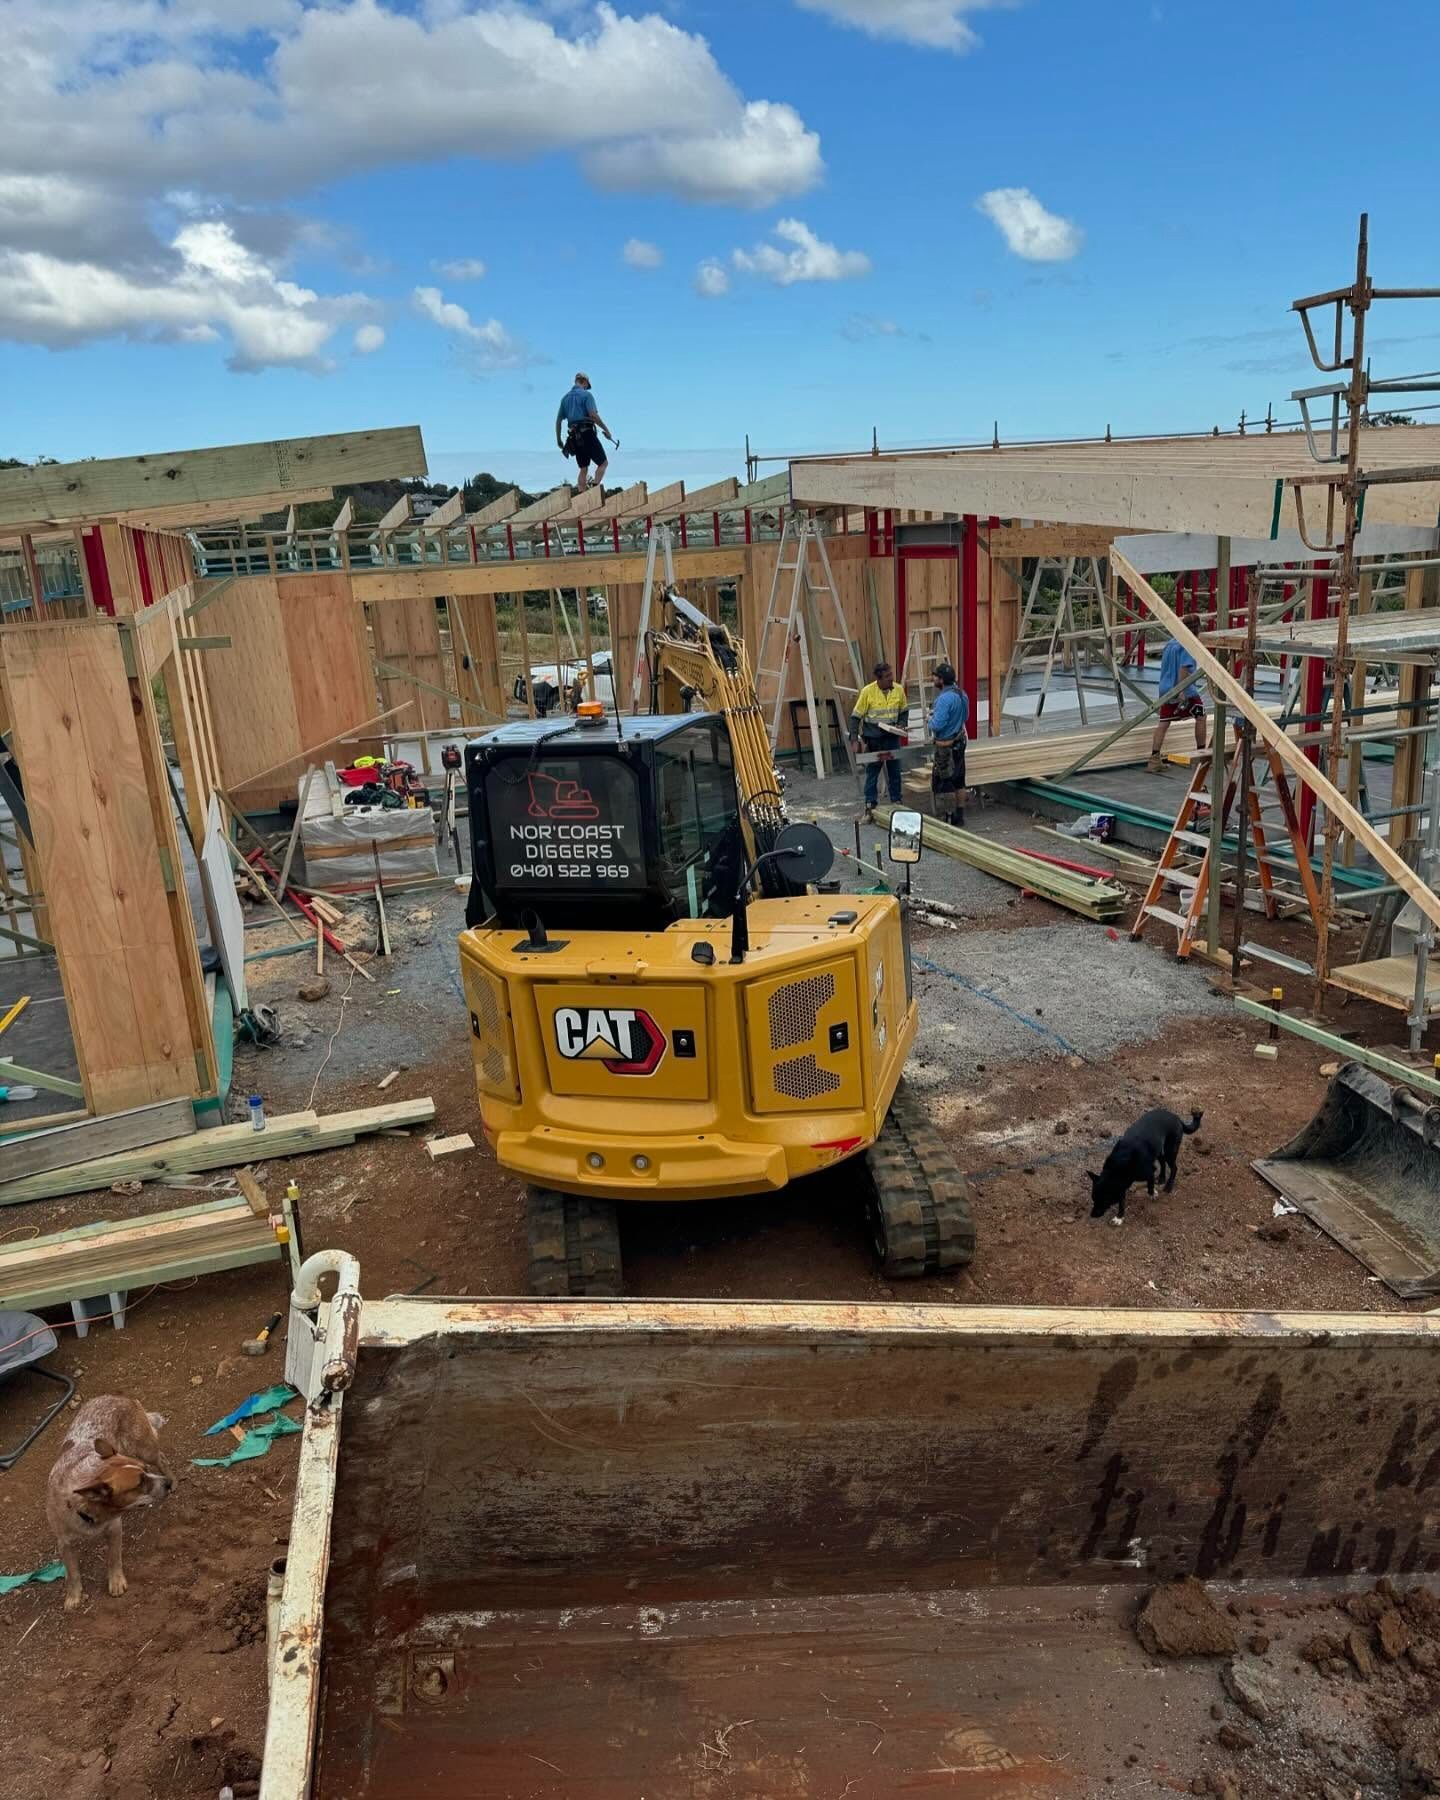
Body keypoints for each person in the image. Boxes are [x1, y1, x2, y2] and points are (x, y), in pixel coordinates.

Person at [849, 661, 909, 819]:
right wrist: (854, 739)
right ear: (879, 679)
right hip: (875, 739)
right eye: (888, 677)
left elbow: (904, 711)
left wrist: (902, 725)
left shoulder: (898, 690)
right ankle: (870, 806)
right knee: (872, 773)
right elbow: (856, 717)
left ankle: (897, 802)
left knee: (895, 772)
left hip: (892, 737)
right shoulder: (868, 692)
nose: (891, 679)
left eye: (891, 675)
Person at [1148, 635, 1206, 771]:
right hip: (1185, 690)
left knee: (1163, 722)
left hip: (1166, 688)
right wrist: (1182, 689)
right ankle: (1202, 756)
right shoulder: (1187, 644)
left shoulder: (1170, 644)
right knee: (1201, 716)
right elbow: (1184, 668)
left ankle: (1154, 759)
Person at [555, 372, 615, 492]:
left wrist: (559, 440)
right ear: (585, 382)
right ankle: (594, 488)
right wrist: (607, 431)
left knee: (583, 468)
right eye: (587, 385)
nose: (587, 388)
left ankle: (582, 497)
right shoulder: (586, 395)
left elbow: (558, 421)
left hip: (574, 437)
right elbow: (593, 415)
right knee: (603, 463)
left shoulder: (565, 399)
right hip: (587, 433)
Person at [929, 662, 969, 828]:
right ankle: (959, 815)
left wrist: (930, 719)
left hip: (946, 747)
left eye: (935, 677)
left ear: (941, 680)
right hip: (959, 742)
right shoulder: (961, 694)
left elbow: (937, 725)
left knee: (945, 782)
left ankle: (948, 817)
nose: (933, 679)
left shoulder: (944, 699)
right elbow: (965, 717)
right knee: (959, 780)